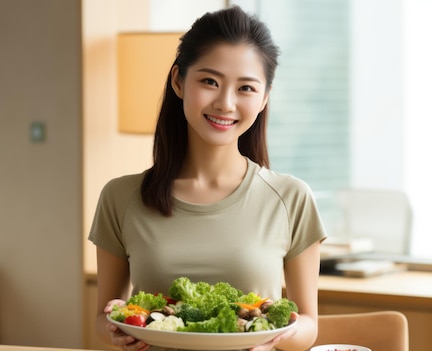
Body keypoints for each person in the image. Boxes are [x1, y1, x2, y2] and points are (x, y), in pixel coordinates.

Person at [89, 6, 327, 351]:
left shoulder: (291, 197)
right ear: (178, 82)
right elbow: (103, 317)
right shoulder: (121, 196)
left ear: (264, 98)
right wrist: (115, 327)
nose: (226, 103)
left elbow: (307, 323)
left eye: (245, 88)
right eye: (210, 81)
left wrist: (274, 342)